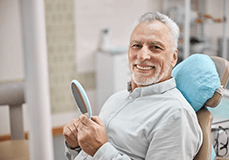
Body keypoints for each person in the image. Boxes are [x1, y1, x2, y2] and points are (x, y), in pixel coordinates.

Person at [63, 11, 203, 160]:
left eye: (155, 47)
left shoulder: (176, 114)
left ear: (173, 57)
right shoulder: (115, 99)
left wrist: (101, 150)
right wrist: (76, 146)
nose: (142, 56)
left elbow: (99, 152)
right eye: (136, 45)